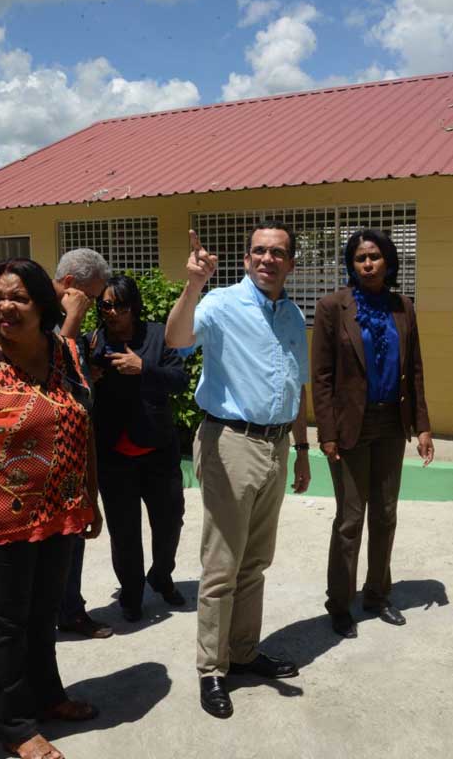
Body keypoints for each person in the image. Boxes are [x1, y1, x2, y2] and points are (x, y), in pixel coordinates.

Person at [0, 259, 104, 759]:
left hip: (61, 515)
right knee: (8, 624)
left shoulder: (69, 354)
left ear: (43, 305)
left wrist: (90, 497)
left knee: (43, 615)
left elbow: (86, 430)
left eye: (19, 298)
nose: (5, 307)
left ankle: (48, 697)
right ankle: (12, 724)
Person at [166, 222, 312, 719]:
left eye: (278, 252)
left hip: (276, 447)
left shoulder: (292, 313)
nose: (267, 259)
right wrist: (193, 285)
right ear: (247, 258)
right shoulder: (221, 303)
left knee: (256, 562)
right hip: (230, 441)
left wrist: (303, 450)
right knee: (222, 565)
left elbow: (296, 387)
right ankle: (212, 668)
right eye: (258, 251)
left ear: (291, 263)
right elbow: (177, 337)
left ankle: (244, 652)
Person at [311, 229, 434, 639]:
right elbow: (322, 376)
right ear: (351, 263)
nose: (367, 264)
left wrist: (423, 426)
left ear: (389, 261)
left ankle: (377, 595)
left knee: (385, 514)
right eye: (360, 257)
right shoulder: (333, 307)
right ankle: (339, 604)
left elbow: (414, 369)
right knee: (350, 519)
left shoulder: (404, 307)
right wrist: (326, 431)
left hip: (390, 425)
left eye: (375, 257)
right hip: (350, 428)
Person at [86, 274, 190, 622]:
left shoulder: (160, 335)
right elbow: (70, 390)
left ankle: (161, 576)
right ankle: (131, 594)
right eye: (106, 305)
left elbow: (179, 380)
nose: (113, 312)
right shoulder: (92, 342)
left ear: (135, 306)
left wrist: (143, 367)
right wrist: (89, 378)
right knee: (124, 532)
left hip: (158, 450)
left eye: (121, 305)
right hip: (114, 455)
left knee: (170, 521)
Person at [51, 247, 115, 640]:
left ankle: (69, 610)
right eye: (91, 297)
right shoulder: (42, 318)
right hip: (46, 456)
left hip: (73, 453)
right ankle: (61, 613)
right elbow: (43, 373)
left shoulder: (64, 321)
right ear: (71, 286)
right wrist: (73, 320)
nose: (93, 307)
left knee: (73, 537)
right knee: (55, 546)